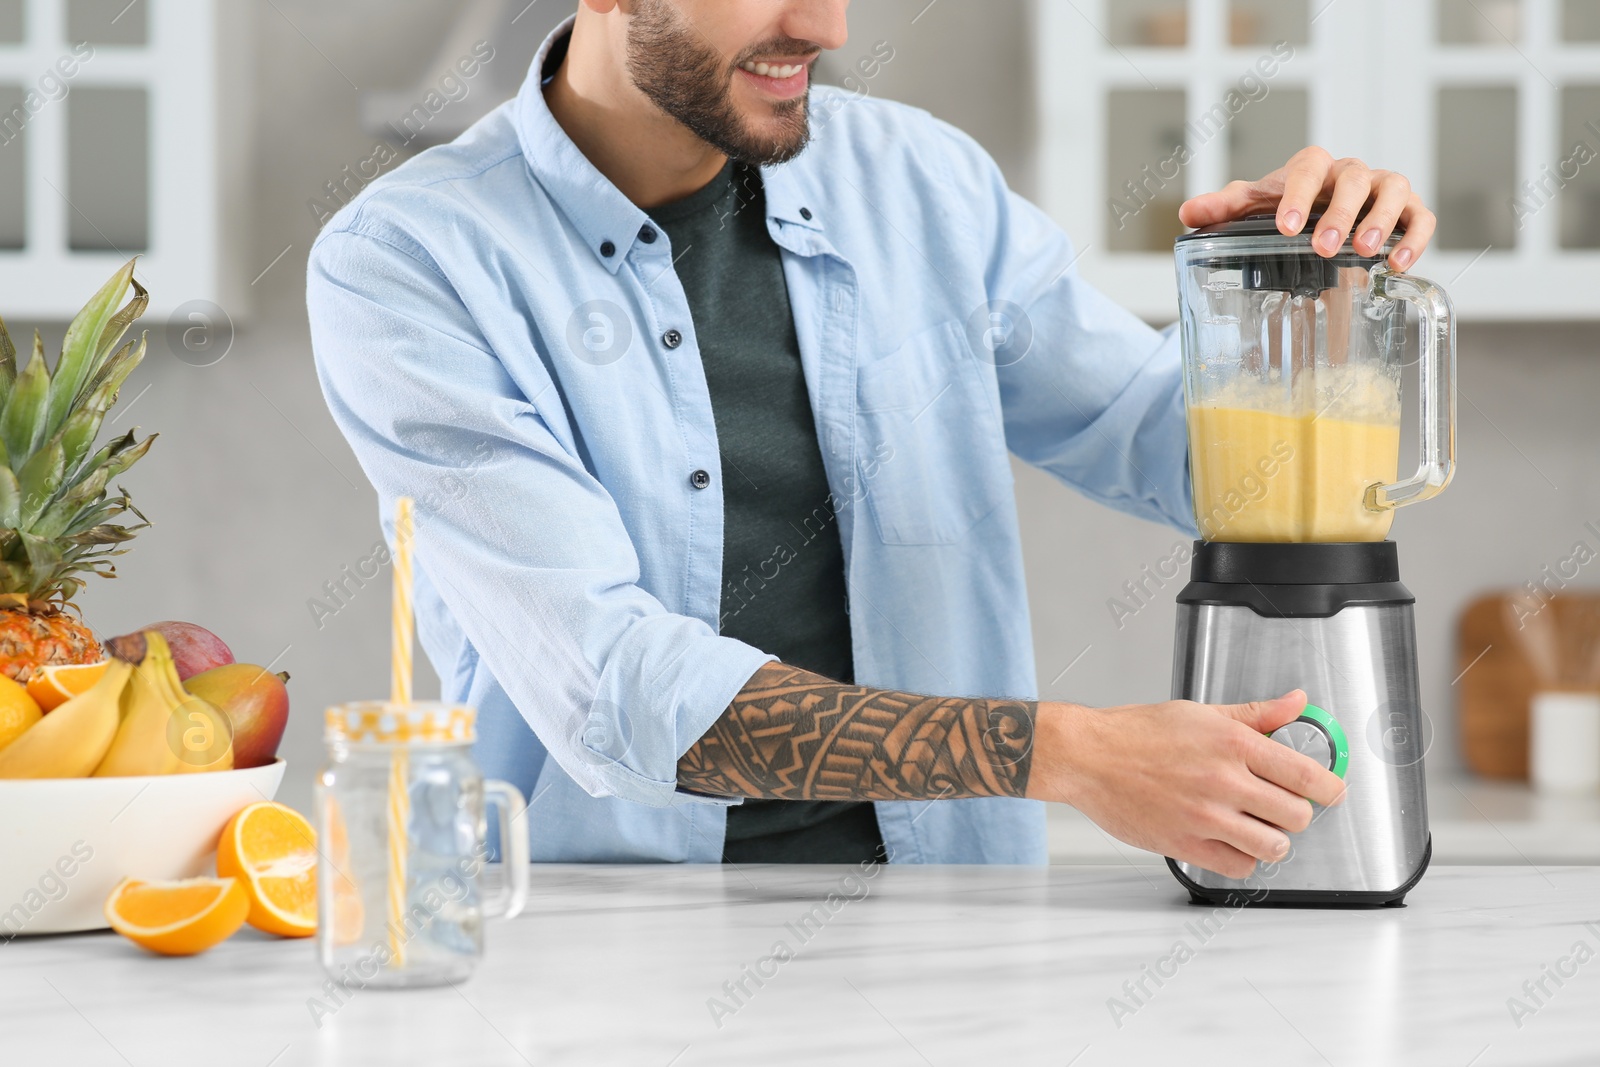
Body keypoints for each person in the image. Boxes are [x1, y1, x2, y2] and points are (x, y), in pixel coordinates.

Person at [307, 0, 1436, 875]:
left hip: (951, 910)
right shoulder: (409, 262)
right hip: (608, 937)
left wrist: (1294, 287)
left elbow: (1176, 453)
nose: (826, 27)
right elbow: (613, 682)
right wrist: (1068, 753)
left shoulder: (921, 181)